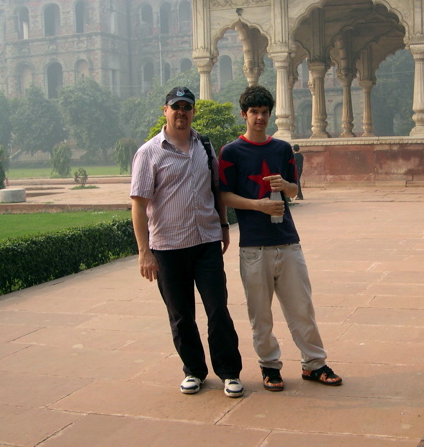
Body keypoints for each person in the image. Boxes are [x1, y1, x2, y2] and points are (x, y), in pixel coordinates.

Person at [219, 85, 342, 392]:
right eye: (254, 112)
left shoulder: (283, 149)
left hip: (286, 240)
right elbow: (223, 196)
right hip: (254, 245)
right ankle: (269, 366)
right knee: (260, 313)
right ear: (243, 114)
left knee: (301, 307)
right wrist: (257, 205)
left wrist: (286, 184)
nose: (260, 118)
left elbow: (292, 191)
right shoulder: (231, 152)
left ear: (270, 114)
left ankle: (314, 363)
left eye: (264, 112)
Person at [130, 86, 243, 398]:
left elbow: (216, 190)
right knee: (181, 316)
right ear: (165, 111)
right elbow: (138, 205)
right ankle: (194, 370)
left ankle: (229, 372)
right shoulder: (149, 152)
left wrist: (223, 225)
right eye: (175, 106)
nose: (181, 112)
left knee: (218, 309)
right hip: (167, 248)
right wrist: (144, 252)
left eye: (187, 107)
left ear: (193, 112)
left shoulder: (204, 147)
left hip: (206, 241)